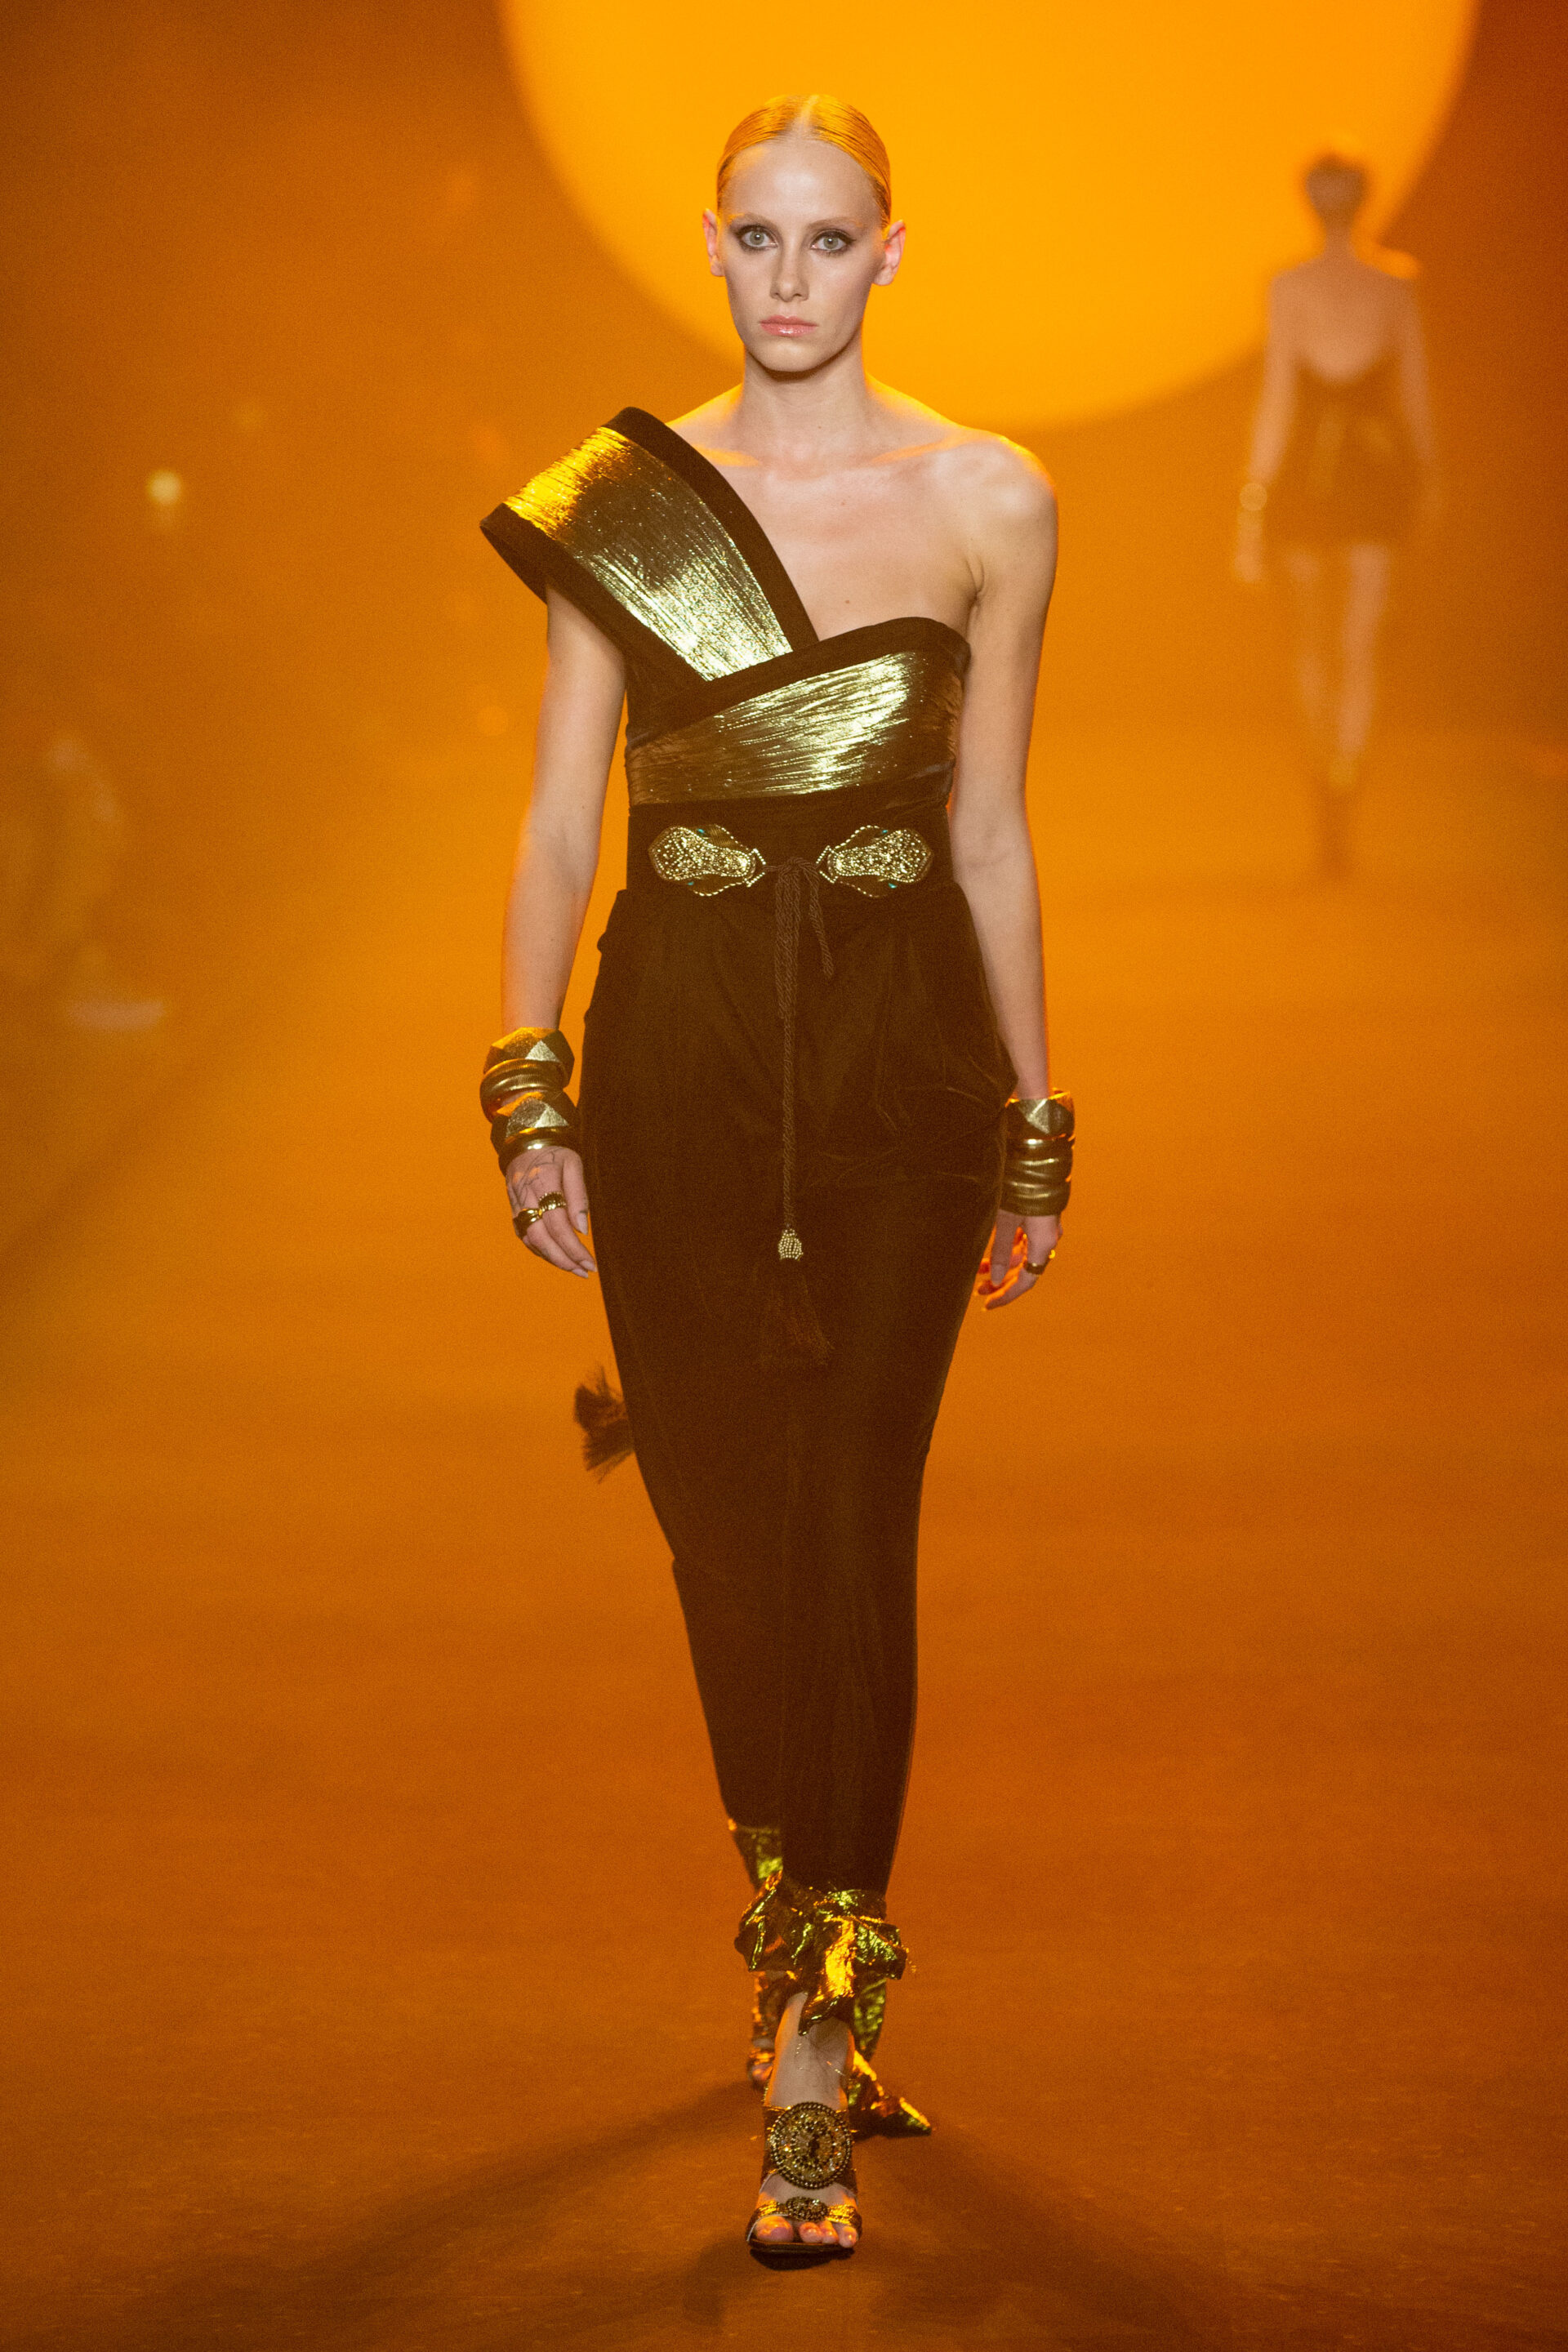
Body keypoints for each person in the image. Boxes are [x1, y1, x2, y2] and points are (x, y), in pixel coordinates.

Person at [479, 94, 1069, 2259]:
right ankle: (779, 1907)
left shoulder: (992, 497)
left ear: (893, 249)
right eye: (759, 237)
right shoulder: (618, 502)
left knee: (850, 1521)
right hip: (680, 1054)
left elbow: (990, 826)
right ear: (710, 243)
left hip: (904, 1053)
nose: (791, 275)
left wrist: (1034, 1122)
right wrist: (529, 1087)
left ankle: (825, 2027)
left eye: (832, 237)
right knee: (722, 1529)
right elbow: (565, 813)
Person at [1234, 151, 1437, 879]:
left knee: (1317, 646)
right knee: (1356, 646)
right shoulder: (1394, 284)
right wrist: (1426, 481)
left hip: (1313, 478)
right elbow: (1412, 396)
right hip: (1369, 476)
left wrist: (1252, 507)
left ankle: (1330, 795)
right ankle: (1339, 792)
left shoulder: (1292, 285)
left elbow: (1279, 399)